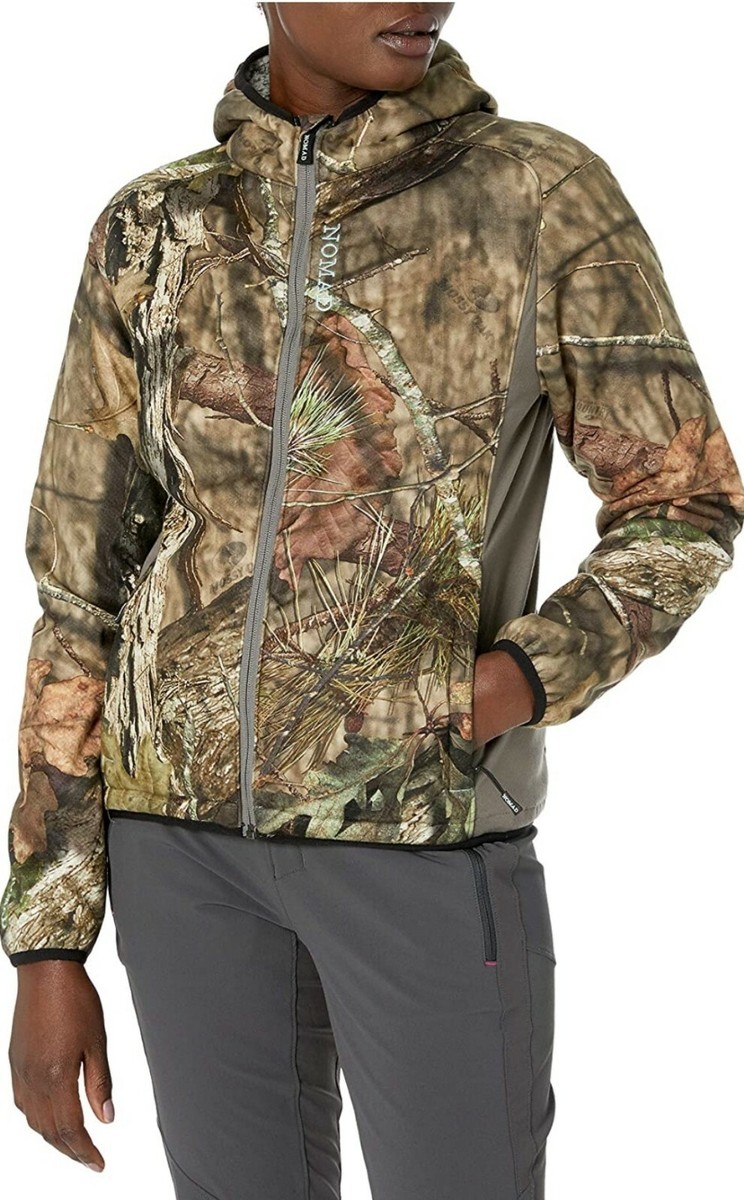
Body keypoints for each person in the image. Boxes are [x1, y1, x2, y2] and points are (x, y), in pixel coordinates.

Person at [3, 3, 743, 1197]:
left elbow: (685, 500)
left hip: (420, 831)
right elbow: (79, 587)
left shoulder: (539, 195)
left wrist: (511, 683)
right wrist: (48, 937)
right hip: (177, 852)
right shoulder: (155, 224)